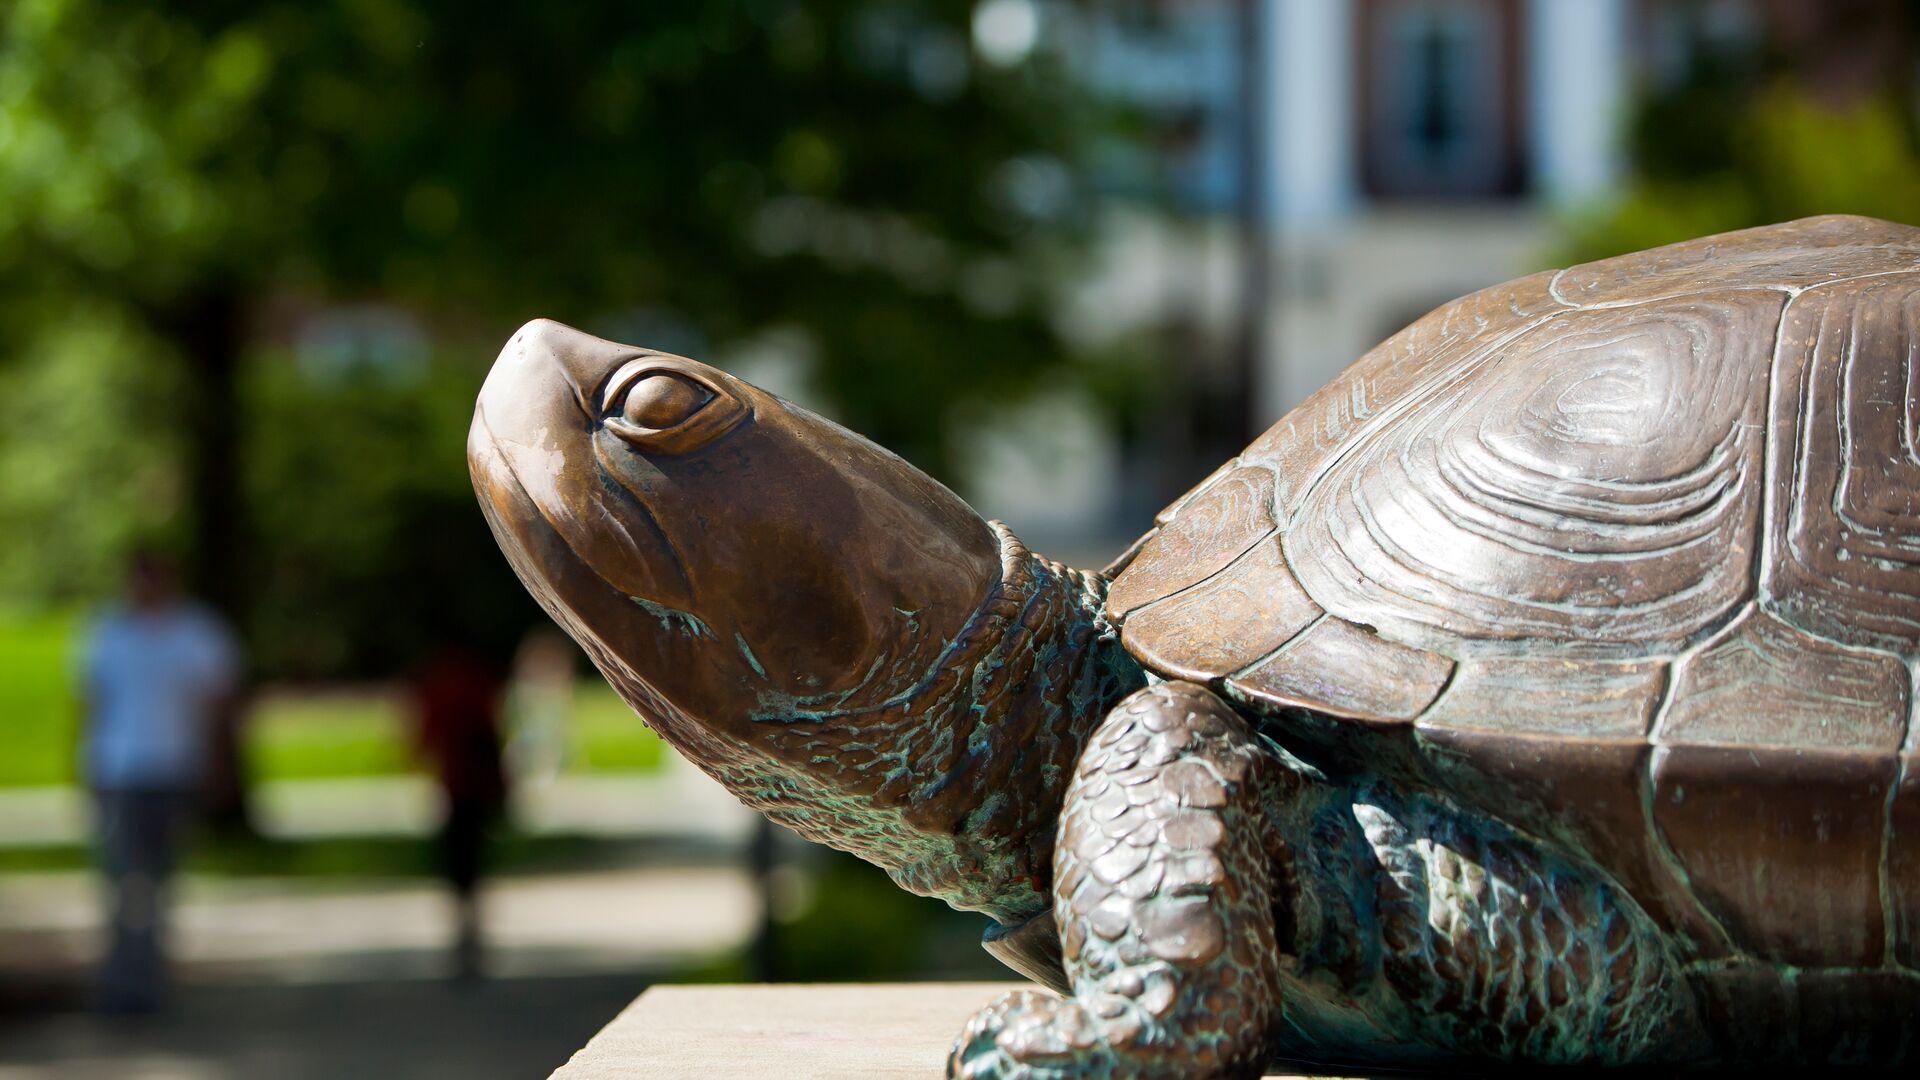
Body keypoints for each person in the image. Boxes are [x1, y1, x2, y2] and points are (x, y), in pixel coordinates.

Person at [77, 550, 240, 1014]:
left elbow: (219, 705)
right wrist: (85, 766)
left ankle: (149, 980)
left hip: (175, 771)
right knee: (124, 883)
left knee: (159, 883)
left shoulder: (197, 632)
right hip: (120, 771)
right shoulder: (106, 632)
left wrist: (218, 765)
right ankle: (121, 981)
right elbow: (90, 702)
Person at [407, 643, 508, 980]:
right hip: (472, 783)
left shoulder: (441, 683)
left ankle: (466, 927)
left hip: (458, 784)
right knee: (471, 859)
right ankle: (470, 927)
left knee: (460, 860)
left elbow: (427, 736)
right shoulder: (475, 679)